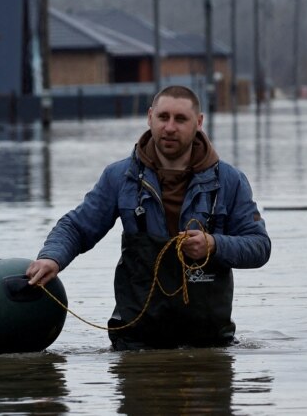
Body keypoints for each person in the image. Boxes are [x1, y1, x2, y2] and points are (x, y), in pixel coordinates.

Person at [26, 85, 270, 349]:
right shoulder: (119, 177)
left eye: (181, 119)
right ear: (150, 117)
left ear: (198, 123)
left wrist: (214, 245)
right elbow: (76, 227)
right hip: (135, 343)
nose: (170, 127)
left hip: (209, 345)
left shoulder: (230, 181)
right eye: (163, 117)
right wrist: (52, 257)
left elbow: (259, 246)